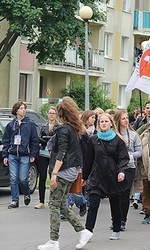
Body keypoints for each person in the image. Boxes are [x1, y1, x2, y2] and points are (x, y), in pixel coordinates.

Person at [38, 97, 92, 250]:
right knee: (61, 204)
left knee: (53, 204)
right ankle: (82, 231)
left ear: (61, 115)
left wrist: (54, 174)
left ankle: (53, 241)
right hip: (73, 170)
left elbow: (62, 151)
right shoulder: (74, 128)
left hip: (64, 171)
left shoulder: (63, 129)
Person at [82, 113, 129, 240]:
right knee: (93, 204)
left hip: (113, 177)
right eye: (101, 122)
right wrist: (84, 177)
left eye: (106, 121)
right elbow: (88, 160)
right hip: (97, 177)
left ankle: (116, 229)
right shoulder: (93, 139)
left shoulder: (118, 140)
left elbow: (123, 158)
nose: (103, 123)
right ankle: (88, 231)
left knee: (115, 204)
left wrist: (121, 171)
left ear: (111, 123)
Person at [2, 100, 39, 209]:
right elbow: (6, 140)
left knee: (23, 179)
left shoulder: (30, 124)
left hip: (25, 155)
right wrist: (5, 155)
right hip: (12, 155)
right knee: (13, 178)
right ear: (16, 110)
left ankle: (26, 193)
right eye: (21, 108)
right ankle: (15, 200)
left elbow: (34, 140)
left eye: (24, 108)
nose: (24, 110)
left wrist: (33, 154)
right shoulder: (11, 124)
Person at [114, 110, 142, 231]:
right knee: (115, 194)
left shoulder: (134, 135)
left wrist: (130, 156)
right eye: (123, 118)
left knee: (125, 193)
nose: (126, 120)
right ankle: (115, 218)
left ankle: (122, 220)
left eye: (127, 118)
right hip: (115, 167)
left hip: (129, 166)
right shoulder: (113, 134)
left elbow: (139, 152)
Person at [35, 106, 59, 209]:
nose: (51, 115)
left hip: (53, 154)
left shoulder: (59, 127)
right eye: (50, 113)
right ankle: (41, 201)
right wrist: (46, 139)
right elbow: (40, 138)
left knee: (53, 176)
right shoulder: (44, 126)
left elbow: (56, 140)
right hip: (43, 153)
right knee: (42, 176)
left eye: (53, 113)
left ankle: (53, 200)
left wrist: (47, 139)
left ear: (56, 115)